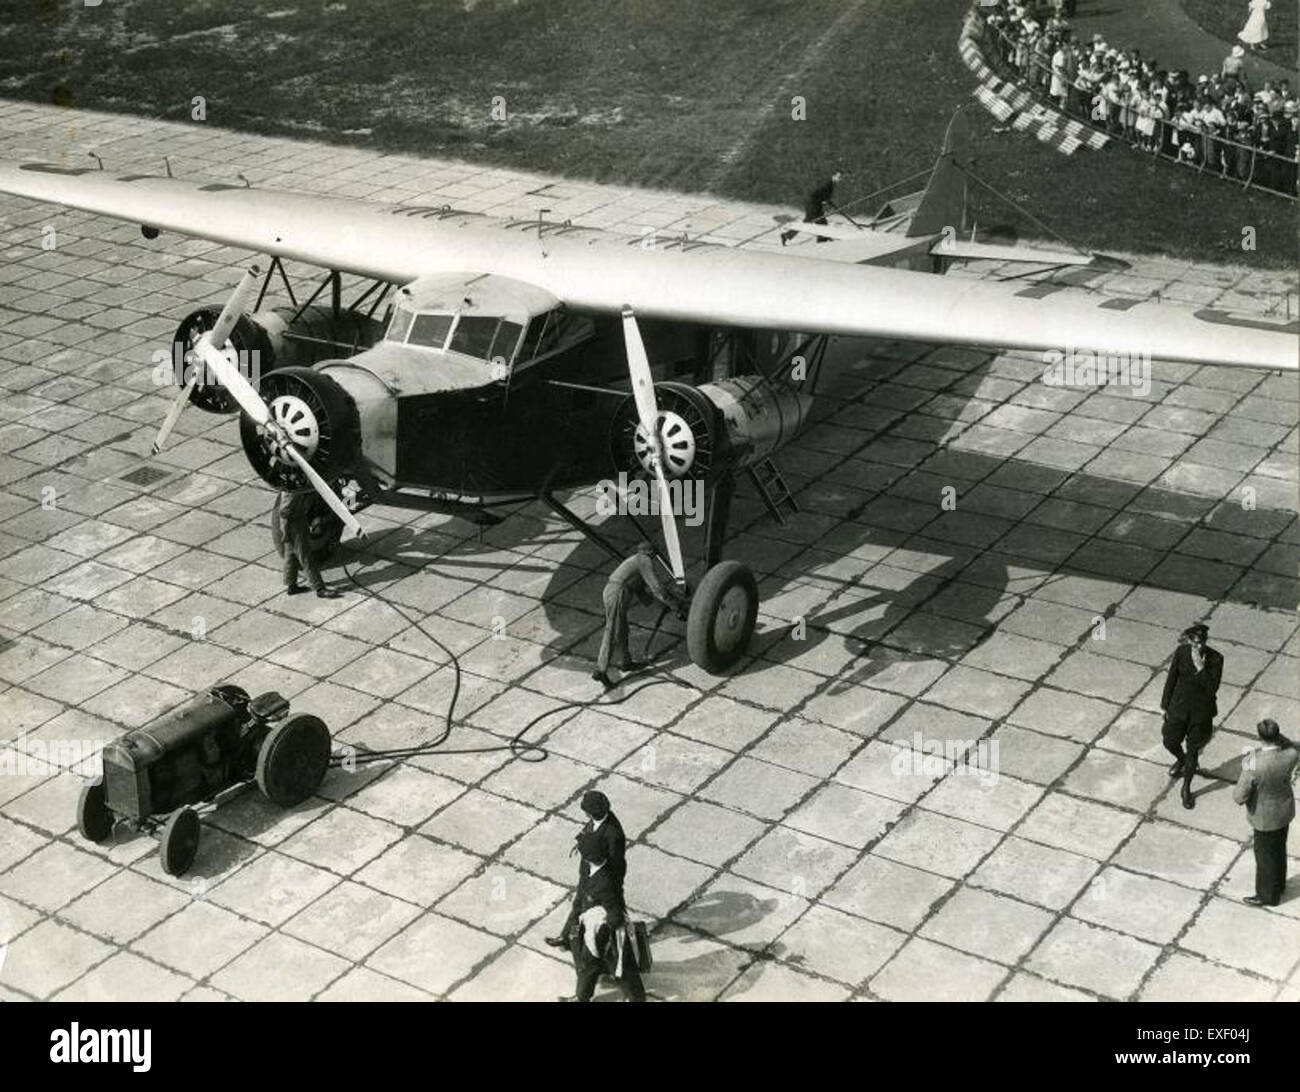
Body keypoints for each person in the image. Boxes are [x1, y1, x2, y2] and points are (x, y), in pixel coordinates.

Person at [561, 829, 645, 1002]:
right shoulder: (595, 869)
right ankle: (582, 997)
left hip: (602, 932)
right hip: (591, 926)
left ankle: (636, 999)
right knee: (592, 967)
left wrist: (602, 937)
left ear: (588, 857)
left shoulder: (604, 881)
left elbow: (616, 916)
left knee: (619, 968)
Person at [547, 790, 627, 949]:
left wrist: (606, 886)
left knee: (602, 911)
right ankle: (567, 937)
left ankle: (581, 939)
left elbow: (616, 864)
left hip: (602, 880)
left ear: (591, 813)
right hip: (589, 874)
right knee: (578, 907)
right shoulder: (597, 820)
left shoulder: (613, 834)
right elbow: (587, 833)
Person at [591, 542, 677, 688]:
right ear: (650, 552)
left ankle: (625, 662)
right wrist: (673, 604)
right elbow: (656, 587)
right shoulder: (644, 560)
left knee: (622, 630)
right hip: (617, 593)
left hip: (613, 591)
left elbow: (640, 589)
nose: (655, 556)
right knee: (612, 631)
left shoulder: (635, 560)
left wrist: (662, 606)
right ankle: (601, 671)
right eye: (654, 553)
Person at [1233, 719, 1297, 907]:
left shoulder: (1254, 763)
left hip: (1263, 817)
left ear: (1259, 737)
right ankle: (1279, 884)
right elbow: (1291, 746)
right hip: (1284, 810)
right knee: (1278, 849)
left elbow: (1239, 796)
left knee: (1265, 856)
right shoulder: (1291, 754)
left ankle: (1268, 896)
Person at [1160, 623, 1223, 809]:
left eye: (1202, 643)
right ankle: (1181, 759)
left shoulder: (1216, 659)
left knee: (1194, 750)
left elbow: (1212, 689)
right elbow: (1171, 679)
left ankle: (1186, 788)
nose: (1199, 647)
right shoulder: (1181, 652)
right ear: (1189, 641)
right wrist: (1164, 705)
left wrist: (1201, 668)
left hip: (1201, 714)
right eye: (1195, 643)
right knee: (1169, 741)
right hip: (1178, 709)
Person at [276, 490, 340, 599]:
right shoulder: (291, 490)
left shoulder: (288, 486)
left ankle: (291, 585)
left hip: (296, 522)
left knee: (290, 556)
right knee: (306, 557)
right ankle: (319, 588)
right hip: (295, 526)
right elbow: (284, 511)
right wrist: (285, 532)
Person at [780, 170, 842, 245]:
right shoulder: (827, 184)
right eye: (839, 177)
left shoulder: (830, 184)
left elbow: (823, 196)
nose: (840, 179)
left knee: (819, 222)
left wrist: (826, 201)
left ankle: (822, 239)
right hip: (813, 204)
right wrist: (826, 201)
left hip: (815, 204)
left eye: (841, 177)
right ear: (833, 176)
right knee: (814, 223)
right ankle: (822, 240)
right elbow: (818, 194)